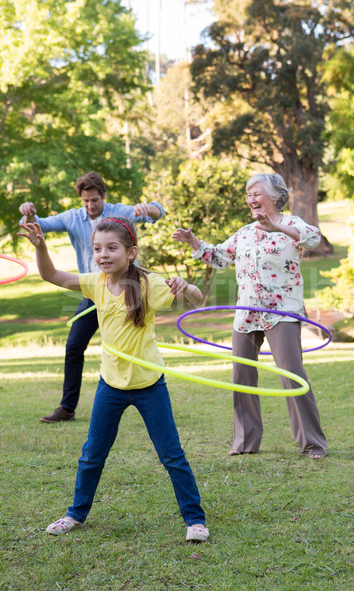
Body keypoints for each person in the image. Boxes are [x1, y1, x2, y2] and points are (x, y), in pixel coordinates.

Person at [18, 216, 209, 542]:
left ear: (131, 252)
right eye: (97, 249)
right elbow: (51, 275)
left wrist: (185, 285)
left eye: (112, 248)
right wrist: (41, 246)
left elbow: (197, 300)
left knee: (171, 454)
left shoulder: (150, 284)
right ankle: (75, 514)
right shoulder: (95, 282)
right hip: (111, 385)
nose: (103, 255)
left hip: (149, 384)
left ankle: (195, 520)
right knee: (92, 453)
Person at [172, 173, 327, 459]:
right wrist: (194, 242)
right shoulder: (244, 232)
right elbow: (218, 257)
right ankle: (245, 443)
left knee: (291, 375)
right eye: (248, 194)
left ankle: (313, 443)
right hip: (246, 313)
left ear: (276, 196)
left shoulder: (292, 224)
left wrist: (277, 227)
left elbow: (314, 238)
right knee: (241, 376)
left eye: (256, 193)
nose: (251, 199)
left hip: (282, 312)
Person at [19, 171, 165, 423]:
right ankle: (67, 408)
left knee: (136, 343)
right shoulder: (72, 217)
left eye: (95, 200)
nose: (90, 205)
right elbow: (39, 225)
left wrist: (148, 208)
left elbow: (157, 212)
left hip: (128, 290)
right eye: (86, 200)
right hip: (94, 289)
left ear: (103, 196)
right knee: (74, 345)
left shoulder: (119, 212)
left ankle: (147, 393)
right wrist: (30, 214)